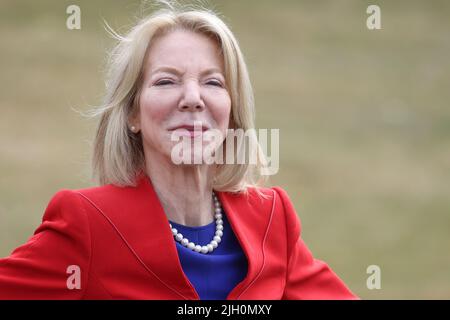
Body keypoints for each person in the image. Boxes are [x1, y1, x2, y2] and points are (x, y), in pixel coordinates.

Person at [0, 2, 357, 300]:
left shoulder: (271, 219)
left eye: (212, 82)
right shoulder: (88, 222)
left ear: (232, 112)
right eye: (166, 81)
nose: (192, 98)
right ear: (133, 113)